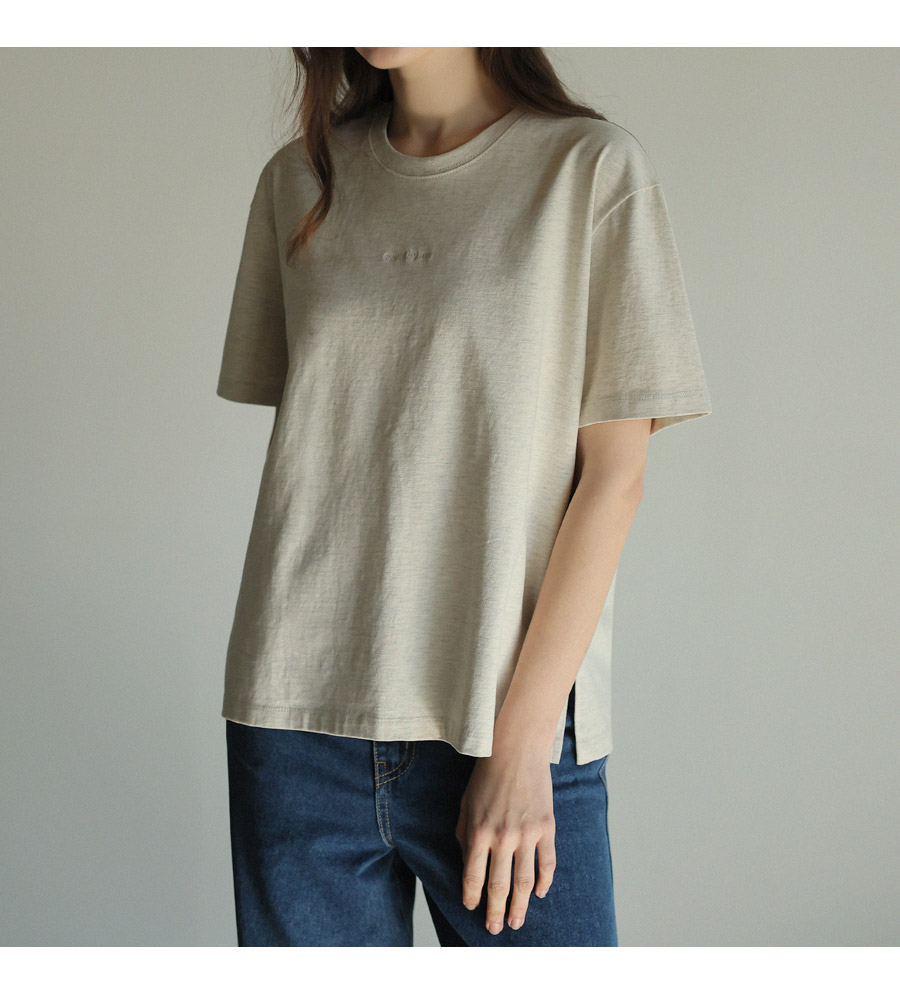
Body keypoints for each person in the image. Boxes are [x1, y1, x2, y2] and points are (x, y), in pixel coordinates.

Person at [216, 47, 712, 947]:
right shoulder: (301, 179)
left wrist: (521, 746)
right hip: (297, 721)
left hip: (504, 717)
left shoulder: (589, 171)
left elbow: (614, 478)